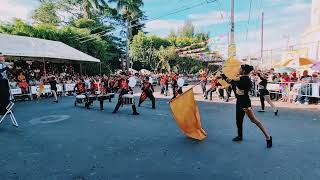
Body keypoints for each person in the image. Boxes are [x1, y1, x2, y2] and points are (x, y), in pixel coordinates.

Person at [221, 64, 272, 148]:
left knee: (254, 120)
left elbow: (230, 80)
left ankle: (268, 137)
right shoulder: (241, 78)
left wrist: (223, 73)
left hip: (245, 103)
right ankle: (240, 136)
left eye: (240, 68)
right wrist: (222, 74)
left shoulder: (243, 79)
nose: (238, 69)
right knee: (239, 120)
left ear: (243, 71)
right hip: (239, 102)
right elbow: (230, 80)